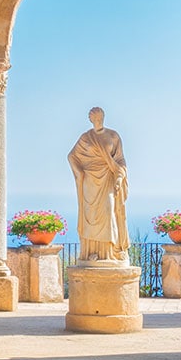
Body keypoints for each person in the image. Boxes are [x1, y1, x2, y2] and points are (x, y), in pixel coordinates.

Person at [67, 107, 130, 265]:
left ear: (103, 117)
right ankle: (91, 252)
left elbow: (120, 160)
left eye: (99, 117)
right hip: (89, 181)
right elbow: (72, 156)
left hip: (107, 178)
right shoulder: (86, 137)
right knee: (90, 215)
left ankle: (110, 252)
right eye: (94, 118)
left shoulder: (113, 136)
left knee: (109, 211)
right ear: (90, 120)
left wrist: (119, 177)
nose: (97, 120)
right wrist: (79, 172)